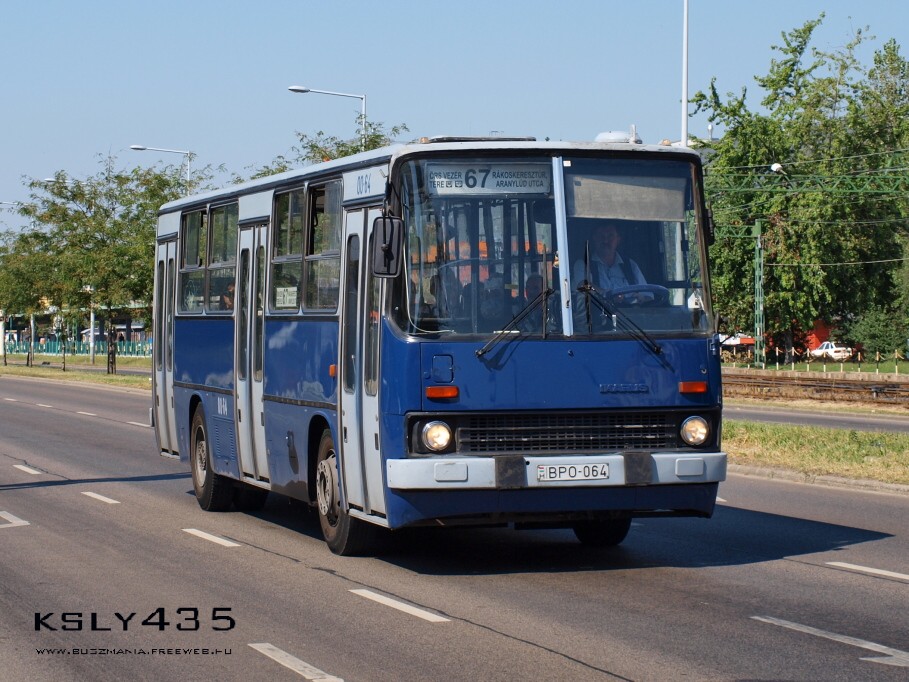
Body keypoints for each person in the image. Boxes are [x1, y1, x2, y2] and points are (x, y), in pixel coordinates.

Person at [572, 223, 645, 292]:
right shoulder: (583, 264)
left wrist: (640, 298)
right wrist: (607, 295)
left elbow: (647, 294)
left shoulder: (630, 265)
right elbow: (583, 287)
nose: (605, 241)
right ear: (594, 238)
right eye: (601, 235)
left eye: (610, 236)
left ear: (618, 239)